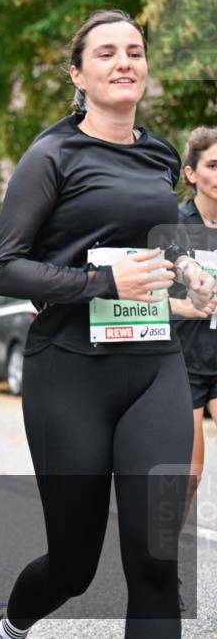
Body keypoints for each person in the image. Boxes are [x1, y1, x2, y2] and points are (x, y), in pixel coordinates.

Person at [0, 10, 217, 639]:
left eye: (135, 52)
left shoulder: (160, 154)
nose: (124, 64)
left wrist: (187, 269)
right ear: (77, 73)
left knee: (155, 561)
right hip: (69, 374)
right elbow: (4, 269)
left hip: (154, 369)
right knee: (73, 565)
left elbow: (150, 241)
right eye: (107, 53)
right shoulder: (50, 155)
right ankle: (9, 624)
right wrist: (103, 285)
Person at [169, 127, 217, 536]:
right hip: (184, 362)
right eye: (213, 165)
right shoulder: (174, 227)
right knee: (188, 476)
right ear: (191, 172)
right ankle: (162, 572)